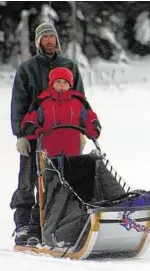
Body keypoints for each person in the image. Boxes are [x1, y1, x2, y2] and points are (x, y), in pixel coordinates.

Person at [10, 22, 86, 246]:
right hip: (33, 134)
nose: (49, 41)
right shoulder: (27, 69)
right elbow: (18, 103)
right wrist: (20, 134)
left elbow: (80, 100)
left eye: (52, 37)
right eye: (45, 37)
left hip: (64, 136)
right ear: (38, 42)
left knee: (59, 179)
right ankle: (24, 223)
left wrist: (81, 130)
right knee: (28, 179)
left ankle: (54, 223)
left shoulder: (70, 67)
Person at [17, 67, 101, 246]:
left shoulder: (79, 102)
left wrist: (93, 127)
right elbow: (29, 121)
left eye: (65, 83)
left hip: (73, 157)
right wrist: (34, 130)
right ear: (52, 83)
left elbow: (90, 118)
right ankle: (35, 231)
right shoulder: (42, 102)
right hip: (48, 157)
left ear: (70, 84)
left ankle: (72, 231)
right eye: (58, 82)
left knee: (73, 194)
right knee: (45, 194)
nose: (61, 86)